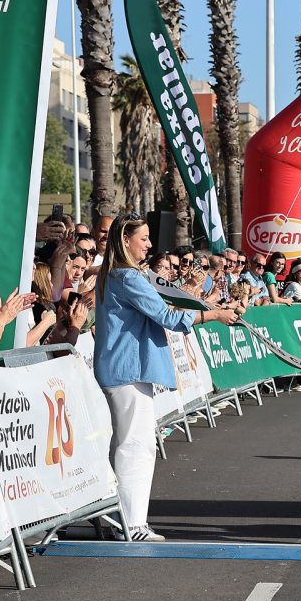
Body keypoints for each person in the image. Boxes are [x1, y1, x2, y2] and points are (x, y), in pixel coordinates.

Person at [94, 214, 240, 541]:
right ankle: (132, 524)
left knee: (129, 442)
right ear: (125, 240)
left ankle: (120, 520)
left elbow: (167, 305)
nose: (148, 244)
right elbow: (166, 316)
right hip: (126, 369)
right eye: (143, 238)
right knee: (136, 445)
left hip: (123, 368)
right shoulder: (126, 277)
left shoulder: (118, 275)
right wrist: (214, 314)